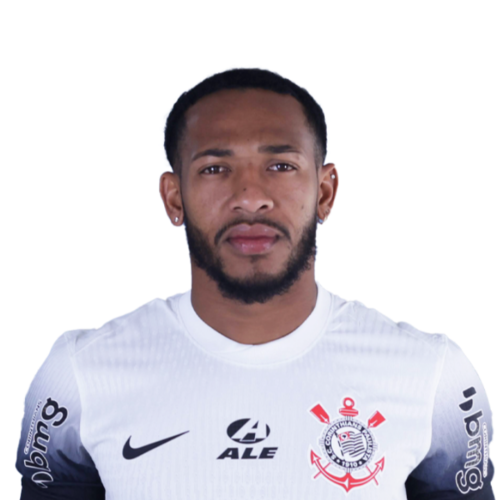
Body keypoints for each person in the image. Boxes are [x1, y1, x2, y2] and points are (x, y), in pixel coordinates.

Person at [15, 65, 495, 499]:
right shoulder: (79, 375)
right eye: (215, 169)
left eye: (281, 166)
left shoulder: (433, 376)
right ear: (174, 197)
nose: (249, 197)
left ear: (325, 192)